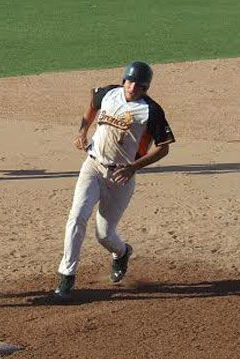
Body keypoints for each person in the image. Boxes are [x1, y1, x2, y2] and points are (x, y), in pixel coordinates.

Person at [54, 61, 175, 299]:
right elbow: (92, 103)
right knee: (77, 217)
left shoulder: (151, 111)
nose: (132, 87)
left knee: (104, 235)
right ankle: (66, 275)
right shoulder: (109, 93)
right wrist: (82, 131)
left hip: (121, 177)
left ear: (146, 88)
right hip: (93, 166)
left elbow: (164, 147)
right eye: (129, 82)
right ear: (123, 81)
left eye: (138, 85)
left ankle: (121, 253)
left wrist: (133, 167)